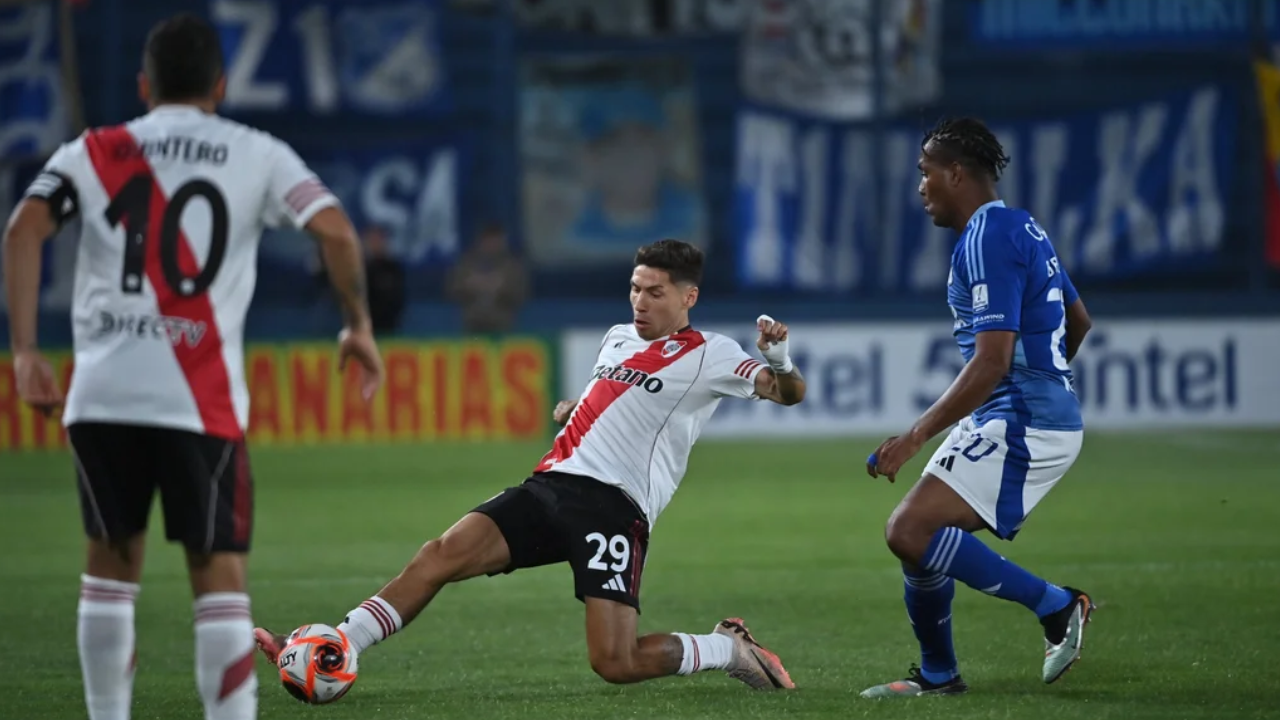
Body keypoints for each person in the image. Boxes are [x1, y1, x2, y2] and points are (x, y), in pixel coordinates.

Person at [1, 14, 384, 720]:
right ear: (221, 83)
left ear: (145, 86)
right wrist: (356, 325)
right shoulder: (256, 152)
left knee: (110, 567)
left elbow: (24, 227)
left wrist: (24, 352)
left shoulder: (95, 149)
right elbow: (332, 226)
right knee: (218, 577)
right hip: (198, 400)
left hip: (103, 394)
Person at [254, 239, 806, 691]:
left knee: (615, 662)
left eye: (654, 293)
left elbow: (787, 394)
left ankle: (725, 648)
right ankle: (338, 644)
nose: (639, 301)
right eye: (635, 289)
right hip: (550, 487)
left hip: (613, 510)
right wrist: (574, 409)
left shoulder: (710, 353)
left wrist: (777, 358)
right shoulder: (616, 339)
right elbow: (612, 402)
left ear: (688, 297)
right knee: (439, 555)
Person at [861, 118, 1095, 698]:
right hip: (1016, 410)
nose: (920, 186)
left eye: (925, 173)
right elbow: (1079, 320)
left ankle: (1057, 606)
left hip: (1024, 418)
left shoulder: (987, 237)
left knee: (909, 528)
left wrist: (914, 436)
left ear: (956, 173)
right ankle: (939, 675)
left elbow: (992, 360)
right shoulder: (1024, 228)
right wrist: (1049, 378)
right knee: (917, 535)